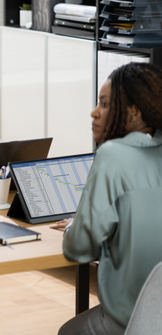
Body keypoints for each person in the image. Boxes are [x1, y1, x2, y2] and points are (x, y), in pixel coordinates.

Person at [51, 62, 162, 335]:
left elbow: (80, 248)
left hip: (132, 319)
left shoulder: (112, 155)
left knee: (68, 332)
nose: (94, 112)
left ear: (134, 112)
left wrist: (74, 227)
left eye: (104, 104)